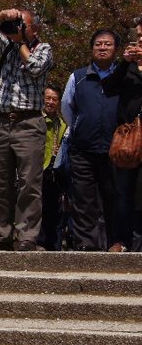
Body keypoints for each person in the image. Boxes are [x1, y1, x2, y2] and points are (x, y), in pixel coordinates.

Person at [0, 8, 54, 251]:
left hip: (29, 122)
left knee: (29, 183)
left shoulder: (43, 48)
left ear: (35, 28)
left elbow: (35, 67)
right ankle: (0, 235)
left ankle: (26, 237)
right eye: (16, 24)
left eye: (23, 24)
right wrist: (2, 16)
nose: (18, 28)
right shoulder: (7, 46)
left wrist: (21, 43)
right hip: (2, 122)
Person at [61, 29, 124, 251]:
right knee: (84, 200)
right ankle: (86, 244)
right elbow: (67, 109)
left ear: (116, 49)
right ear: (91, 48)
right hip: (83, 148)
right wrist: (80, 128)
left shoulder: (124, 76)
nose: (103, 48)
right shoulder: (78, 77)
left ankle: (114, 242)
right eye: (98, 44)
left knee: (113, 197)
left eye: (107, 44)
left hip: (116, 148)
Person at [103, 17, 142, 251]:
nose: (139, 41)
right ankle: (121, 240)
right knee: (123, 190)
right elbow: (108, 88)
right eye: (137, 36)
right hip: (130, 135)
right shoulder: (127, 66)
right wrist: (125, 63)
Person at [38, 86, 69, 251]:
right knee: (38, 207)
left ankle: (53, 244)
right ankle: (40, 241)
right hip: (38, 168)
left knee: (55, 209)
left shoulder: (62, 123)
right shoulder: (36, 119)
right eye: (47, 98)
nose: (50, 102)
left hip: (55, 171)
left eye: (54, 99)